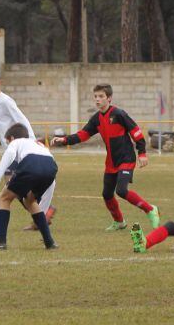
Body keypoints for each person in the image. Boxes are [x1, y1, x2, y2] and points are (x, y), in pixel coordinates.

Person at [51, 83, 160, 231]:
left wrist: (142, 153)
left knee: (121, 190)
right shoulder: (96, 118)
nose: (97, 99)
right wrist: (64, 140)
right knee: (107, 194)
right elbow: (83, 135)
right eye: (95, 96)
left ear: (109, 98)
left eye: (101, 96)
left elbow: (136, 132)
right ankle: (119, 222)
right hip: (111, 161)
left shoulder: (119, 114)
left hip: (126, 158)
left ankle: (150, 210)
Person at [0, 67, 57, 229]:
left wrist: (32, 143)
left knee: (12, 189)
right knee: (17, 190)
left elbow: (22, 120)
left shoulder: (6, 101)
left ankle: (42, 215)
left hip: (19, 153)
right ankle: (42, 215)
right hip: (11, 153)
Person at [0, 123, 58, 250]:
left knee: (4, 198)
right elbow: (50, 166)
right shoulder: (38, 144)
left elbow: (9, 154)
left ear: (12, 138)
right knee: (30, 201)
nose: (8, 144)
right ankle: (49, 242)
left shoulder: (16, 142)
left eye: (7, 142)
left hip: (31, 164)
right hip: (51, 167)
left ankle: (0, 242)